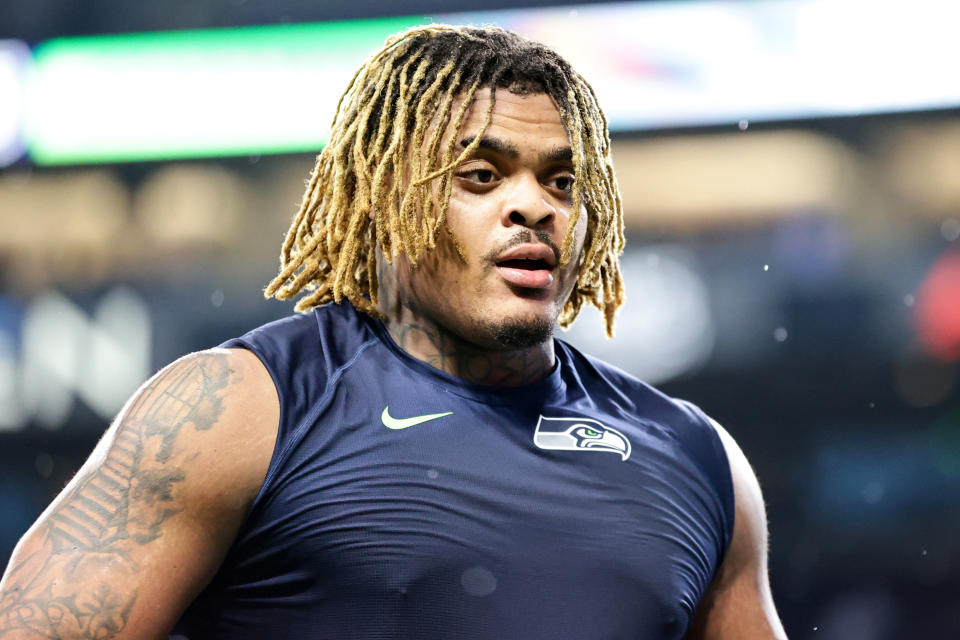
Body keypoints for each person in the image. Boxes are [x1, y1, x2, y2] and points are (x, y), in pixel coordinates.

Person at [0, 24, 787, 640]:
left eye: (562, 181)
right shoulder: (237, 412)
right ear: (385, 199)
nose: (535, 207)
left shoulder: (695, 458)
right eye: (480, 177)